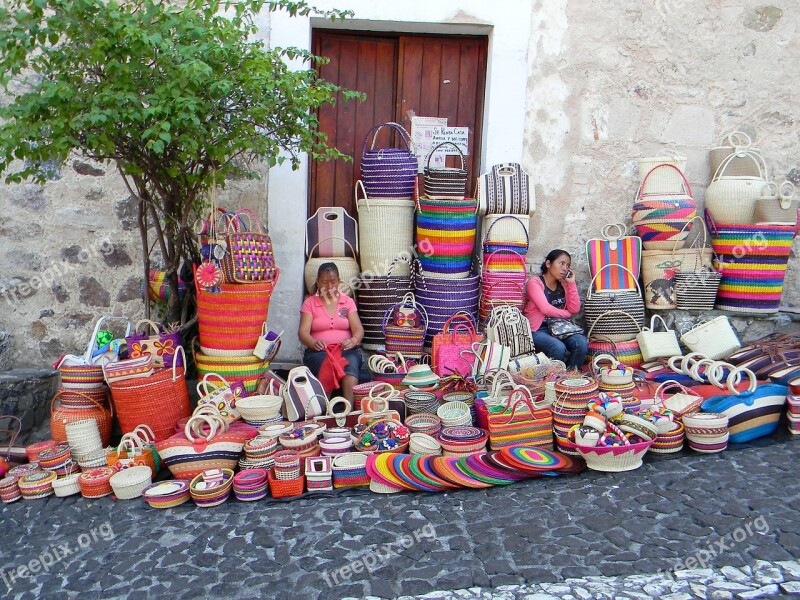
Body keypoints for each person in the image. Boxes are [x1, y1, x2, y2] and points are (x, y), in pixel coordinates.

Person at [298, 263, 364, 401]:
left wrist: (353, 340)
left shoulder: (348, 302)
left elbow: (358, 329)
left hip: (346, 350)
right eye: (325, 282)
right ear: (317, 282)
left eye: (333, 282)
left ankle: (348, 410)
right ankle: (325, 410)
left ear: (339, 281)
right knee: (326, 365)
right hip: (320, 352)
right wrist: (313, 342)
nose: (329, 287)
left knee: (350, 365)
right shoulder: (310, 303)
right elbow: (303, 332)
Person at [523, 249, 588, 371]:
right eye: (561, 263)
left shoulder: (564, 285)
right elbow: (545, 309)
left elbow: (575, 308)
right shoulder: (535, 283)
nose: (565, 268)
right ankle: (554, 379)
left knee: (581, 342)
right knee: (558, 347)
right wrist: (566, 313)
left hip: (559, 328)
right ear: (548, 264)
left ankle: (570, 377)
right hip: (538, 330)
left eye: (567, 265)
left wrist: (571, 284)